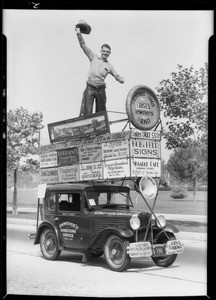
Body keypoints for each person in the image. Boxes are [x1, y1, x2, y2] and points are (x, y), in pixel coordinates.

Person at [75, 26, 125, 116]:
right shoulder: (93, 57)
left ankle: (100, 126)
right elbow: (83, 45)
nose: (105, 53)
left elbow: (116, 75)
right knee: (87, 110)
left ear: (109, 53)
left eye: (107, 52)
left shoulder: (109, 65)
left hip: (101, 88)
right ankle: (86, 124)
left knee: (101, 112)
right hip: (91, 86)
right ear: (101, 51)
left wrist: (121, 79)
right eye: (104, 51)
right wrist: (79, 33)